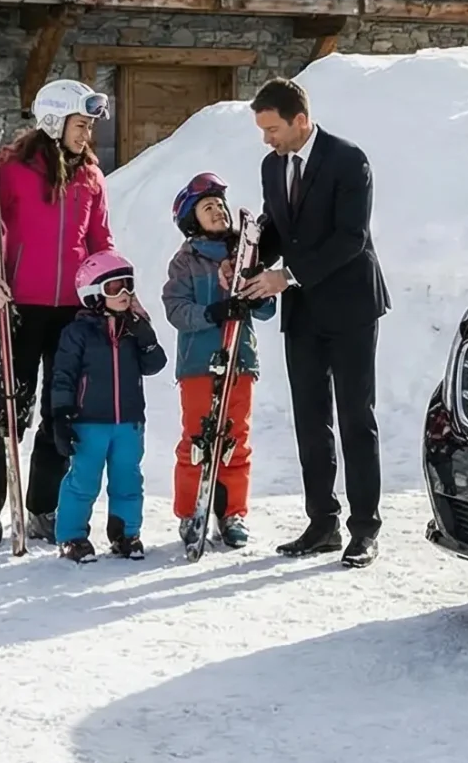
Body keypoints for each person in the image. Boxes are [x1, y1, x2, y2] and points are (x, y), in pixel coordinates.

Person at [239, 77, 389, 567]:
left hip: (350, 306)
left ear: (300, 120)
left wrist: (289, 276)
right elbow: (279, 228)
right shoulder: (270, 166)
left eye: (273, 128)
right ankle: (321, 522)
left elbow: (351, 237)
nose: (267, 139)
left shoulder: (350, 160)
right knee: (309, 419)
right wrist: (249, 259)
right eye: (263, 130)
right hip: (301, 311)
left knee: (355, 418)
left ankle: (364, 529)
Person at [0, 78, 113, 551]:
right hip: (20, 306)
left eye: (89, 125)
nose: (87, 134)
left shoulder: (90, 177)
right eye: (80, 124)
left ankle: (42, 504)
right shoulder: (12, 169)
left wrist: (111, 287)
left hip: (72, 312)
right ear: (53, 121)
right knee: (9, 407)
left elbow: (99, 243)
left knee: (59, 412)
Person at [160, 173, 276, 552]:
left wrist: (255, 296)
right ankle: (192, 510)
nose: (218, 211)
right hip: (199, 363)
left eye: (221, 205)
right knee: (197, 437)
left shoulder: (244, 255)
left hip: (240, 359)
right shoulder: (185, 261)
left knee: (234, 439)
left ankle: (232, 513)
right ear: (192, 219)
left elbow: (268, 309)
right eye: (208, 207)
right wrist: (213, 313)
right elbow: (176, 309)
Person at [47, 249, 168, 562]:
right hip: (89, 422)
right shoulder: (77, 333)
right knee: (83, 481)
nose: (125, 293)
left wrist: (145, 334)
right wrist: (60, 416)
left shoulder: (133, 330)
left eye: (128, 285)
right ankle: (72, 537)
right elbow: (63, 377)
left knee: (128, 479)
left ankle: (125, 534)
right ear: (93, 293)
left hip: (128, 422)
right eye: (115, 287)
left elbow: (155, 364)